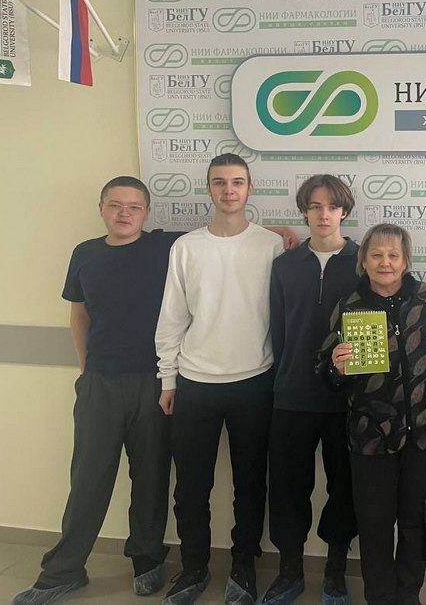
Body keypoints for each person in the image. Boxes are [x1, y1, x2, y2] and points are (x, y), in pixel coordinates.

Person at [11, 177, 177, 605]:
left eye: (134, 206)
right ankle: (63, 571)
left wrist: (279, 232)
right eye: (115, 205)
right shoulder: (85, 253)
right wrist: (87, 371)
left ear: (147, 212)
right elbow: (79, 315)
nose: (124, 213)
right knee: (88, 478)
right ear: (101, 208)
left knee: (151, 477)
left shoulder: (165, 247)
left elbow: (224, 235)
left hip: (155, 382)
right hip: (99, 383)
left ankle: (147, 560)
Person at [155, 153, 284, 605]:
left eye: (237, 182)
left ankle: (244, 566)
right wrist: (168, 379)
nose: (229, 190)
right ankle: (193, 568)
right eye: (220, 182)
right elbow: (172, 316)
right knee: (191, 485)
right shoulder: (186, 248)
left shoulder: (272, 245)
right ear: (209, 188)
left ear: (250, 189)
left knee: (250, 483)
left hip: (255, 382)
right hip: (194, 383)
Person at [319, 223, 426, 605]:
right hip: (369, 435)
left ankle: (408, 595)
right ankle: (380, 597)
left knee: (415, 521)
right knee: (374, 526)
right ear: (363, 260)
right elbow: (326, 370)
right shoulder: (350, 305)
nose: (384, 262)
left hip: (425, 431)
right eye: (376, 254)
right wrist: (336, 366)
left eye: (393, 255)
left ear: (405, 261)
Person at [263, 175, 359, 605]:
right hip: (291, 395)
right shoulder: (285, 265)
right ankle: (289, 571)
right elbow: (278, 330)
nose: (324, 214)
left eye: (332, 206)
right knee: (287, 488)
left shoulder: (364, 262)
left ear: (344, 211)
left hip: (347, 400)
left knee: (345, 488)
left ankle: (335, 572)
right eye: (315, 206)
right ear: (304, 211)